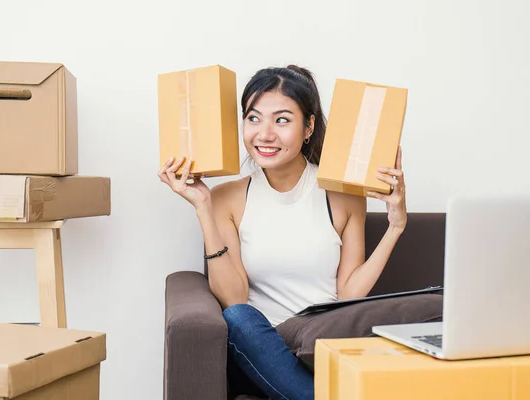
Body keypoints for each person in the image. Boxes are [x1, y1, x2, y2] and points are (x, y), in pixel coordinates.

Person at [157, 65, 407, 400]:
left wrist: (396, 226)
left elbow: (349, 294)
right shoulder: (226, 198)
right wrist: (203, 207)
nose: (264, 134)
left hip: (322, 345)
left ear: (309, 126)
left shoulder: (344, 196)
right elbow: (234, 299)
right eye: (254, 118)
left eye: (282, 119)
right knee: (239, 318)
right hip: (262, 347)